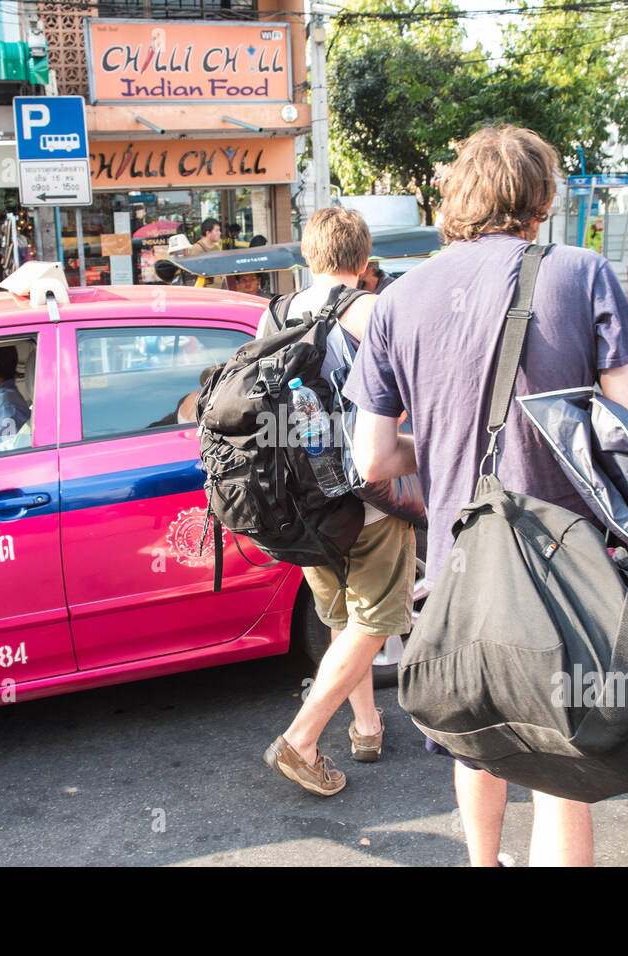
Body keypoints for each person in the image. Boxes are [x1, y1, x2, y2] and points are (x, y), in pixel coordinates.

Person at [344, 125, 628, 865]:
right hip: (570, 569)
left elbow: (374, 459)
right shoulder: (581, 274)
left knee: (476, 736)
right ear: (542, 199)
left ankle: (483, 863)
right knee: (563, 758)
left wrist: (448, 440)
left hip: (461, 568)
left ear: (455, 196)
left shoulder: (395, 300)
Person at [261, 206, 417, 797]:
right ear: (364, 259)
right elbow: (405, 397)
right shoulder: (376, 310)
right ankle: (302, 739)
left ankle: (367, 725)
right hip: (368, 495)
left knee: (342, 620)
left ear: (308, 256)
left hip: (301, 501)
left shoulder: (273, 314)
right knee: (374, 622)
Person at [187, 219, 226, 289]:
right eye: (217, 230)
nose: (220, 233)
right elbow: (193, 275)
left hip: (219, 291)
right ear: (208, 233)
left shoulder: (217, 248)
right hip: (206, 293)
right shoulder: (197, 249)